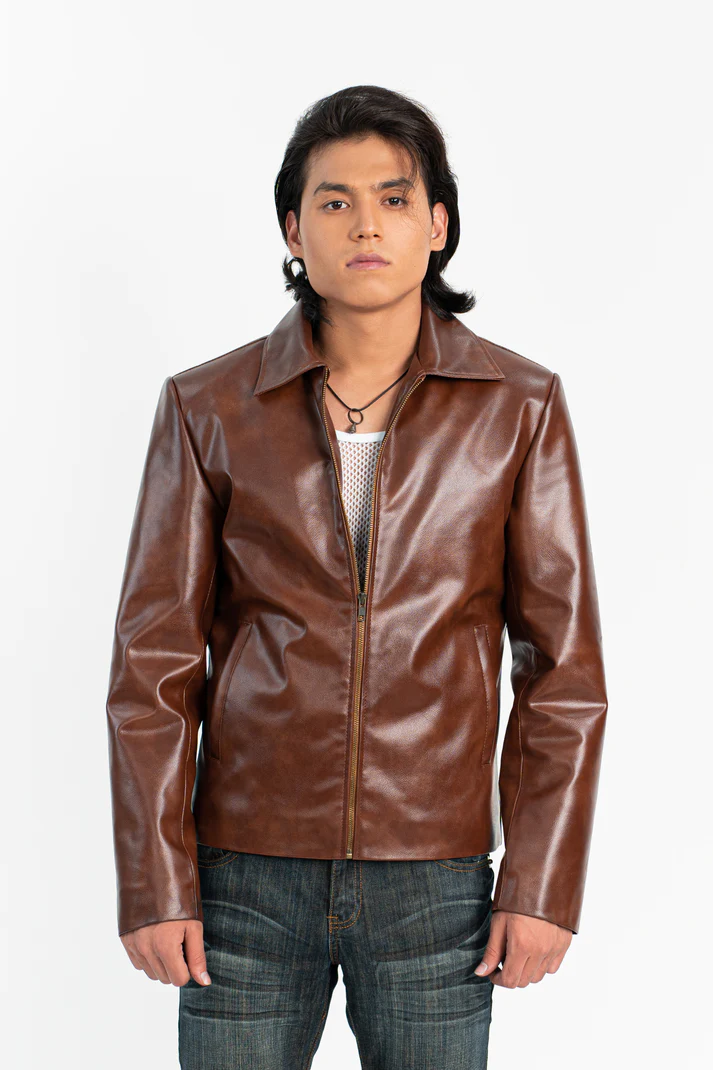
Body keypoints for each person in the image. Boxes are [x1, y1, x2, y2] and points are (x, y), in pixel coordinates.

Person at [105, 84, 608, 1069]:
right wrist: (154, 882)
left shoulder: (517, 405)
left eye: (392, 197)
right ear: (293, 230)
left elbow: (563, 673)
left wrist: (541, 881)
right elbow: (152, 668)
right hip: (243, 877)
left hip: (435, 879)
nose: (365, 224)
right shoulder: (209, 407)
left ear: (437, 224)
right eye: (333, 201)